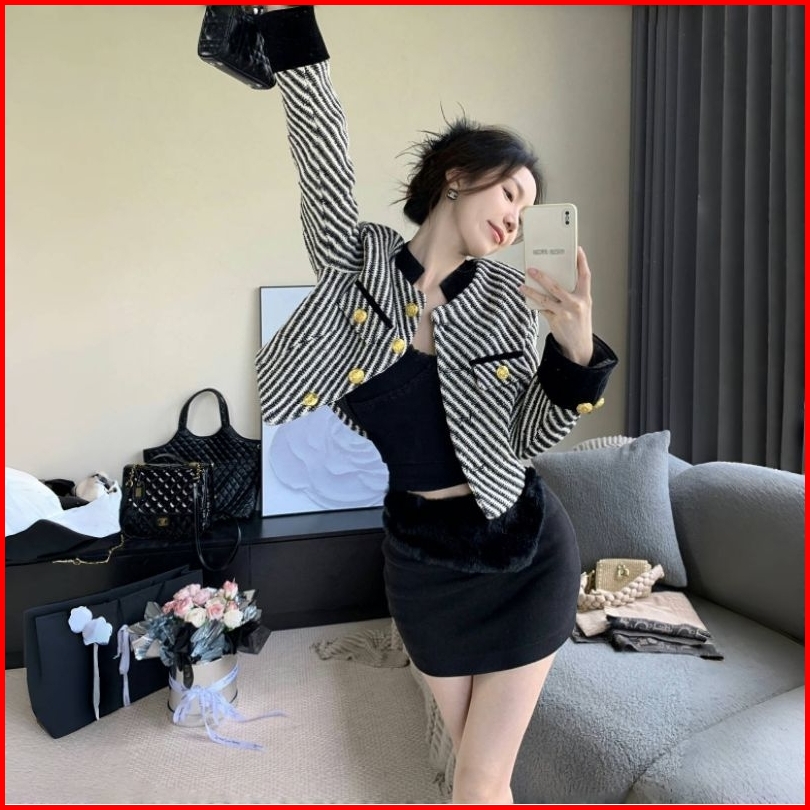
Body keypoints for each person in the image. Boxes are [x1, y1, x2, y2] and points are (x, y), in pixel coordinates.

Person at [251, 6, 617, 804]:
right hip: (421, 565)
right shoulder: (356, 266)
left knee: (480, 781)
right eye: (510, 192)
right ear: (457, 175)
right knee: (471, 775)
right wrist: (285, 25)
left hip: (521, 553)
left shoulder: (506, 301)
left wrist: (574, 351)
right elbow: (322, 153)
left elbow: (528, 433)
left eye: (526, 211)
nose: (516, 218)